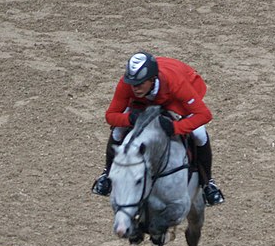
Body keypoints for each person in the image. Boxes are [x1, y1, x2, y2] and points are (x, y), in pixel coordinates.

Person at [91, 51, 225, 206]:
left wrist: (175, 128)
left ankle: (208, 183)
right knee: (118, 130)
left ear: (152, 79)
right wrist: (130, 118)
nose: (135, 88)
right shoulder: (127, 84)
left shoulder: (177, 83)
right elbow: (111, 115)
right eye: (132, 83)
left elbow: (204, 115)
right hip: (145, 102)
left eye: (140, 83)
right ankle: (107, 175)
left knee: (199, 134)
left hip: (175, 96)